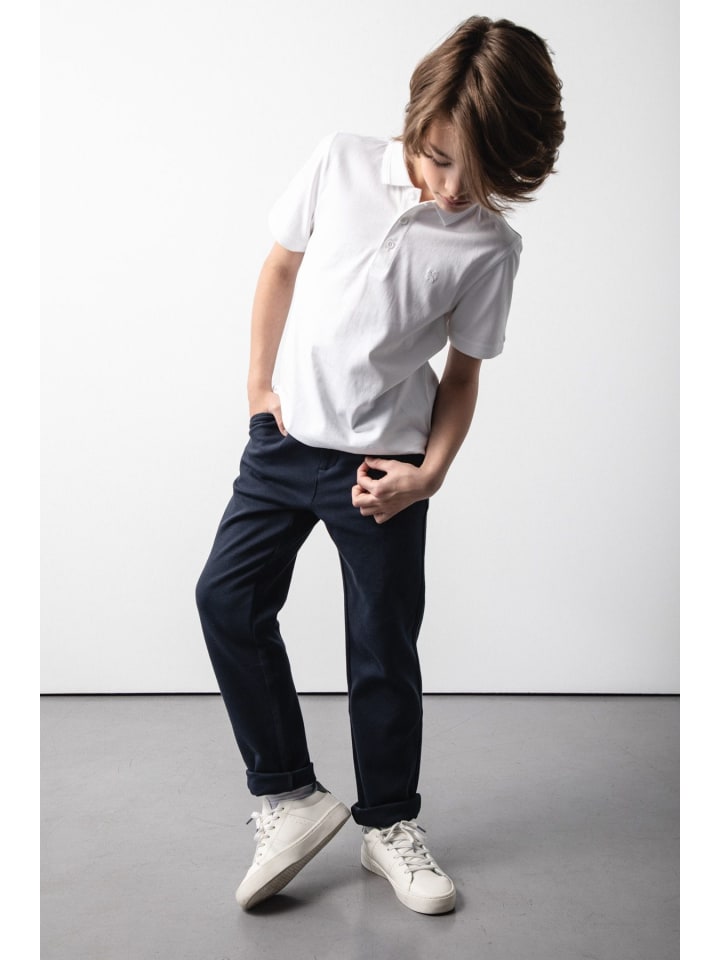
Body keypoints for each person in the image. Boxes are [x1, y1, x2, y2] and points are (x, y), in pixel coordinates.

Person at [196, 15, 564, 915]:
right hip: (284, 447)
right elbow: (280, 268)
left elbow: (463, 375)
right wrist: (258, 389)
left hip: (384, 469)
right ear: (416, 121)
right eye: (438, 159)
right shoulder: (340, 162)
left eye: (480, 173)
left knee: (381, 650)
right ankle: (288, 795)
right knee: (225, 599)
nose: (453, 188)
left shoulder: (490, 246)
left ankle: (389, 826)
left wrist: (427, 475)